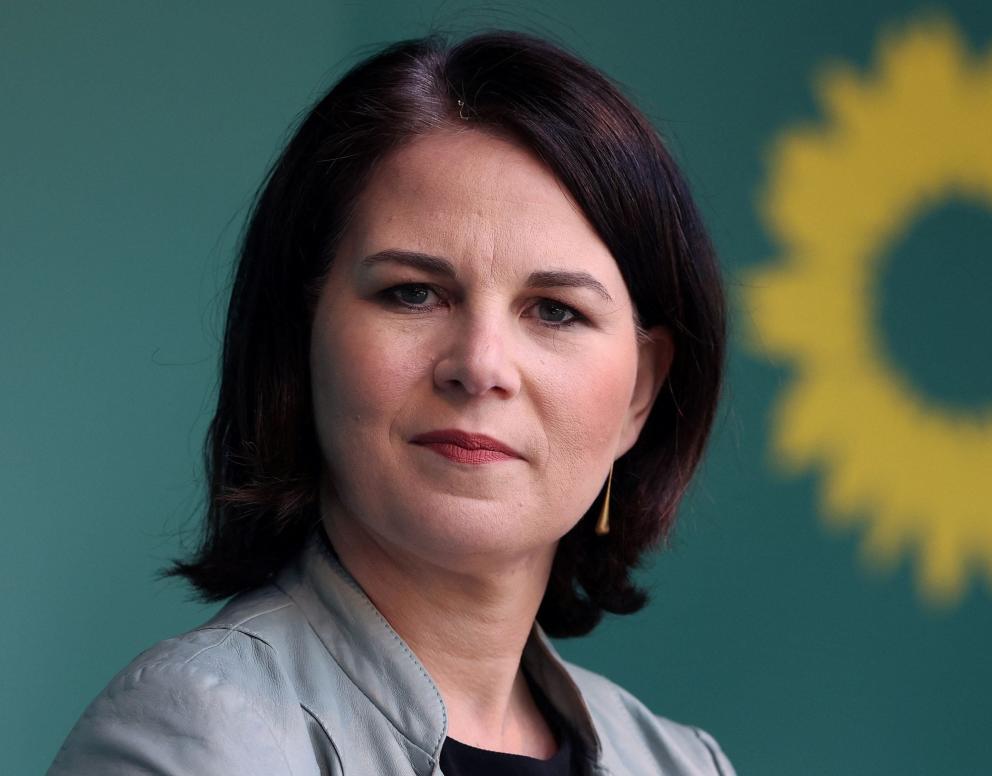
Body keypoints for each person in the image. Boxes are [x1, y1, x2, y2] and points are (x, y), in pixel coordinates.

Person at [49, 28, 733, 776]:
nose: (479, 366)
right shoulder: (192, 743)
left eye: (554, 310)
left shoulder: (683, 763)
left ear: (641, 390)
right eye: (413, 293)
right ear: (302, 335)